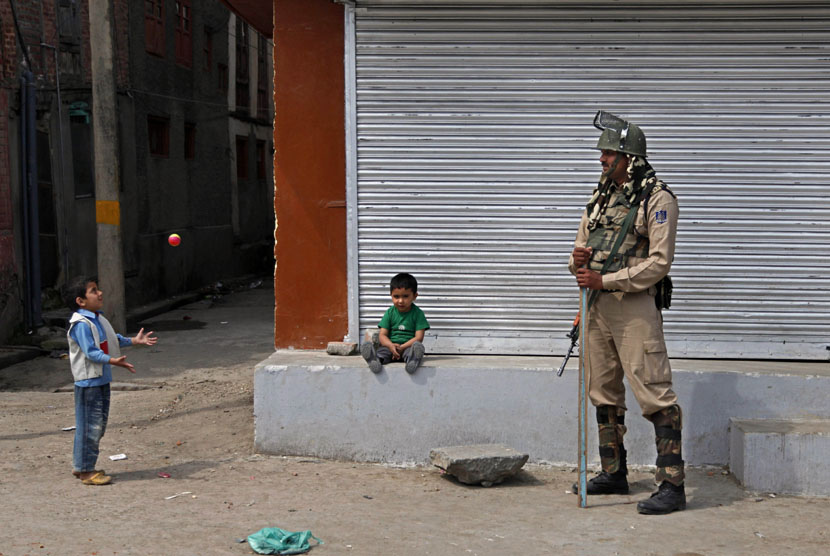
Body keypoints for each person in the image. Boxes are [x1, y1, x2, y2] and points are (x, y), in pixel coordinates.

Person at [567, 112, 685, 514]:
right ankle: (614, 473)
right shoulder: (601, 197)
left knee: (653, 391)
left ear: (628, 158)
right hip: (597, 307)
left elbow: (659, 262)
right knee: (602, 390)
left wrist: (608, 281)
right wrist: (577, 260)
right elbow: (579, 251)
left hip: (633, 307)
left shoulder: (658, 197)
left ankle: (672, 485)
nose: (601, 159)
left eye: (609, 153)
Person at [63, 277, 157, 485]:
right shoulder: (81, 324)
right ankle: (86, 471)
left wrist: (133, 341)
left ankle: (82, 467)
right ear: (81, 301)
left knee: (93, 426)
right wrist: (113, 360)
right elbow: (91, 353)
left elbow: (111, 339)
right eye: (93, 291)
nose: (100, 293)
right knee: (91, 427)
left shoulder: (96, 319)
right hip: (89, 384)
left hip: (99, 381)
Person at [360, 272, 430, 374]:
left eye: (405, 296)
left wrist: (402, 347)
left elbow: (419, 338)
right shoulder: (390, 313)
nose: (400, 301)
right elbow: (382, 335)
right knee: (382, 352)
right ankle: (374, 360)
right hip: (390, 346)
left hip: (408, 347)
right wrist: (391, 346)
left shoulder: (418, 314)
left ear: (415, 296)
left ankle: (413, 360)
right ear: (391, 295)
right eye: (396, 297)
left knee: (413, 350)